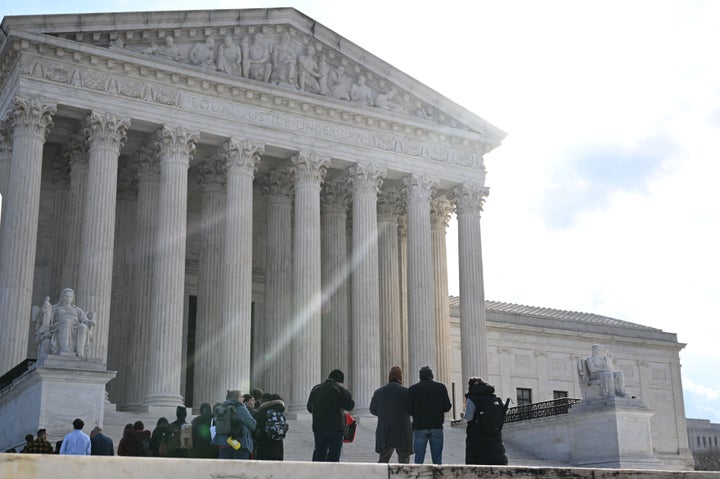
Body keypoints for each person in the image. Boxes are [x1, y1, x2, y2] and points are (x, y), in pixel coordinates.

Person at [306, 369, 355, 462]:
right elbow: (350, 405)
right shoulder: (339, 390)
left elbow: (309, 408)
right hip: (336, 429)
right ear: (340, 381)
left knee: (319, 455)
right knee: (334, 457)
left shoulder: (316, 389)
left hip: (319, 428)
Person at [406, 366, 452, 465]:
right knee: (437, 458)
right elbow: (447, 407)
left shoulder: (413, 389)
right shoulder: (441, 387)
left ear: (420, 377)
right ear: (432, 376)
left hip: (419, 427)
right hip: (436, 426)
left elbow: (408, 410)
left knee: (419, 458)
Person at [370, 366, 413, 463]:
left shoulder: (378, 392)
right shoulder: (407, 392)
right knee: (404, 463)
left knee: (383, 462)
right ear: (400, 378)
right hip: (402, 432)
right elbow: (411, 410)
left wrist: (383, 414)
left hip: (385, 431)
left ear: (389, 377)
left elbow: (372, 410)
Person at [464, 377, 508, 465]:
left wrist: (463, 415)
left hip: (477, 442)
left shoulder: (472, 398)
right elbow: (503, 413)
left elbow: (468, 417)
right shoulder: (496, 399)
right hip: (496, 443)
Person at [211, 389, 256, 459]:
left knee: (225, 467)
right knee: (239, 468)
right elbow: (252, 424)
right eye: (242, 396)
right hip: (239, 443)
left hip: (223, 443)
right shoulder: (241, 407)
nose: (243, 398)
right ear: (236, 397)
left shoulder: (221, 407)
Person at [254, 393, 288, 460]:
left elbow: (258, 426)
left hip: (265, 443)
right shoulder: (280, 412)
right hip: (278, 444)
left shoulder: (264, 412)